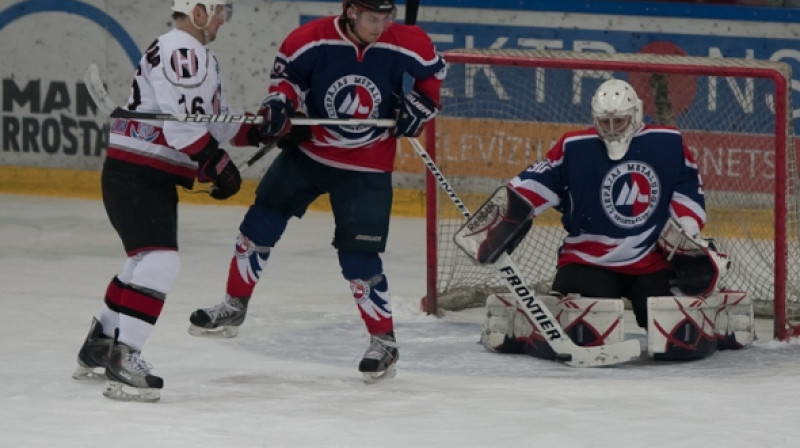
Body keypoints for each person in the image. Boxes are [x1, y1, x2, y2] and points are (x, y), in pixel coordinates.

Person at [187, 0, 446, 383]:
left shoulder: (408, 41)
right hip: (308, 153)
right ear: (351, 13)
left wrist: (421, 106)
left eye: (387, 18)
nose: (381, 26)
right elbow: (286, 81)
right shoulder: (308, 39)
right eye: (373, 18)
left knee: (359, 260)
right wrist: (280, 105)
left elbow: (433, 76)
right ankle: (234, 305)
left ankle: (384, 342)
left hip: (366, 164)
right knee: (258, 227)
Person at [473, 78, 748, 360]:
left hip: (652, 263)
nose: (613, 129)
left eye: (621, 121)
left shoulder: (667, 142)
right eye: (606, 122)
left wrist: (687, 231)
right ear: (595, 118)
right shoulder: (574, 147)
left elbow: (687, 188)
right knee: (588, 333)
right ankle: (522, 320)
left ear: (636, 114)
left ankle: (721, 311)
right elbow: (531, 186)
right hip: (587, 261)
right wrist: (496, 222)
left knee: (678, 342)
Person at [72, 0, 260, 402]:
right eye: (219, 11)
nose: (223, 20)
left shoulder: (190, 52)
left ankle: (101, 344)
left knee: (141, 262)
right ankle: (124, 361)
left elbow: (213, 122)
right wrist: (214, 162)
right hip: (137, 173)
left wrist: (263, 130)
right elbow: (182, 130)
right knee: (160, 261)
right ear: (197, 12)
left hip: (141, 173)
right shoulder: (183, 50)